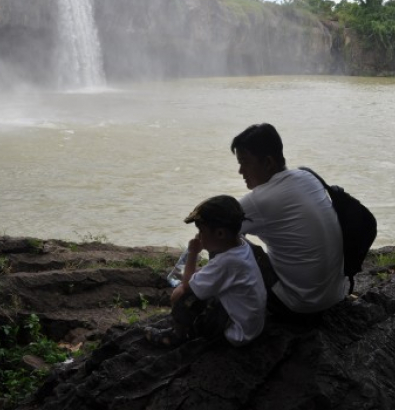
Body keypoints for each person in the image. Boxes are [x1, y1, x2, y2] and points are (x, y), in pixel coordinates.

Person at [230, 123, 347, 321]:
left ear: (268, 163)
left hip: (298, 306)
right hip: (336, 295)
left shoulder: (260, 200)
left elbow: (214, 229)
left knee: (227, 238)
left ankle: (219, 309)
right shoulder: (307, 177)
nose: (240, 171)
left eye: (245, 162)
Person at [145, 195, 266, 347]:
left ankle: (177, 336)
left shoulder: (227, 262)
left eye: (201, 231)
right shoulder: (241, 245)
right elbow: (215, 273)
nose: (199, 236)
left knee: (180, 294)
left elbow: (187, 286)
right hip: (251, 324)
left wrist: (193, 253)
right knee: (197, 281)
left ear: (220, 234)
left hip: (237, 333)